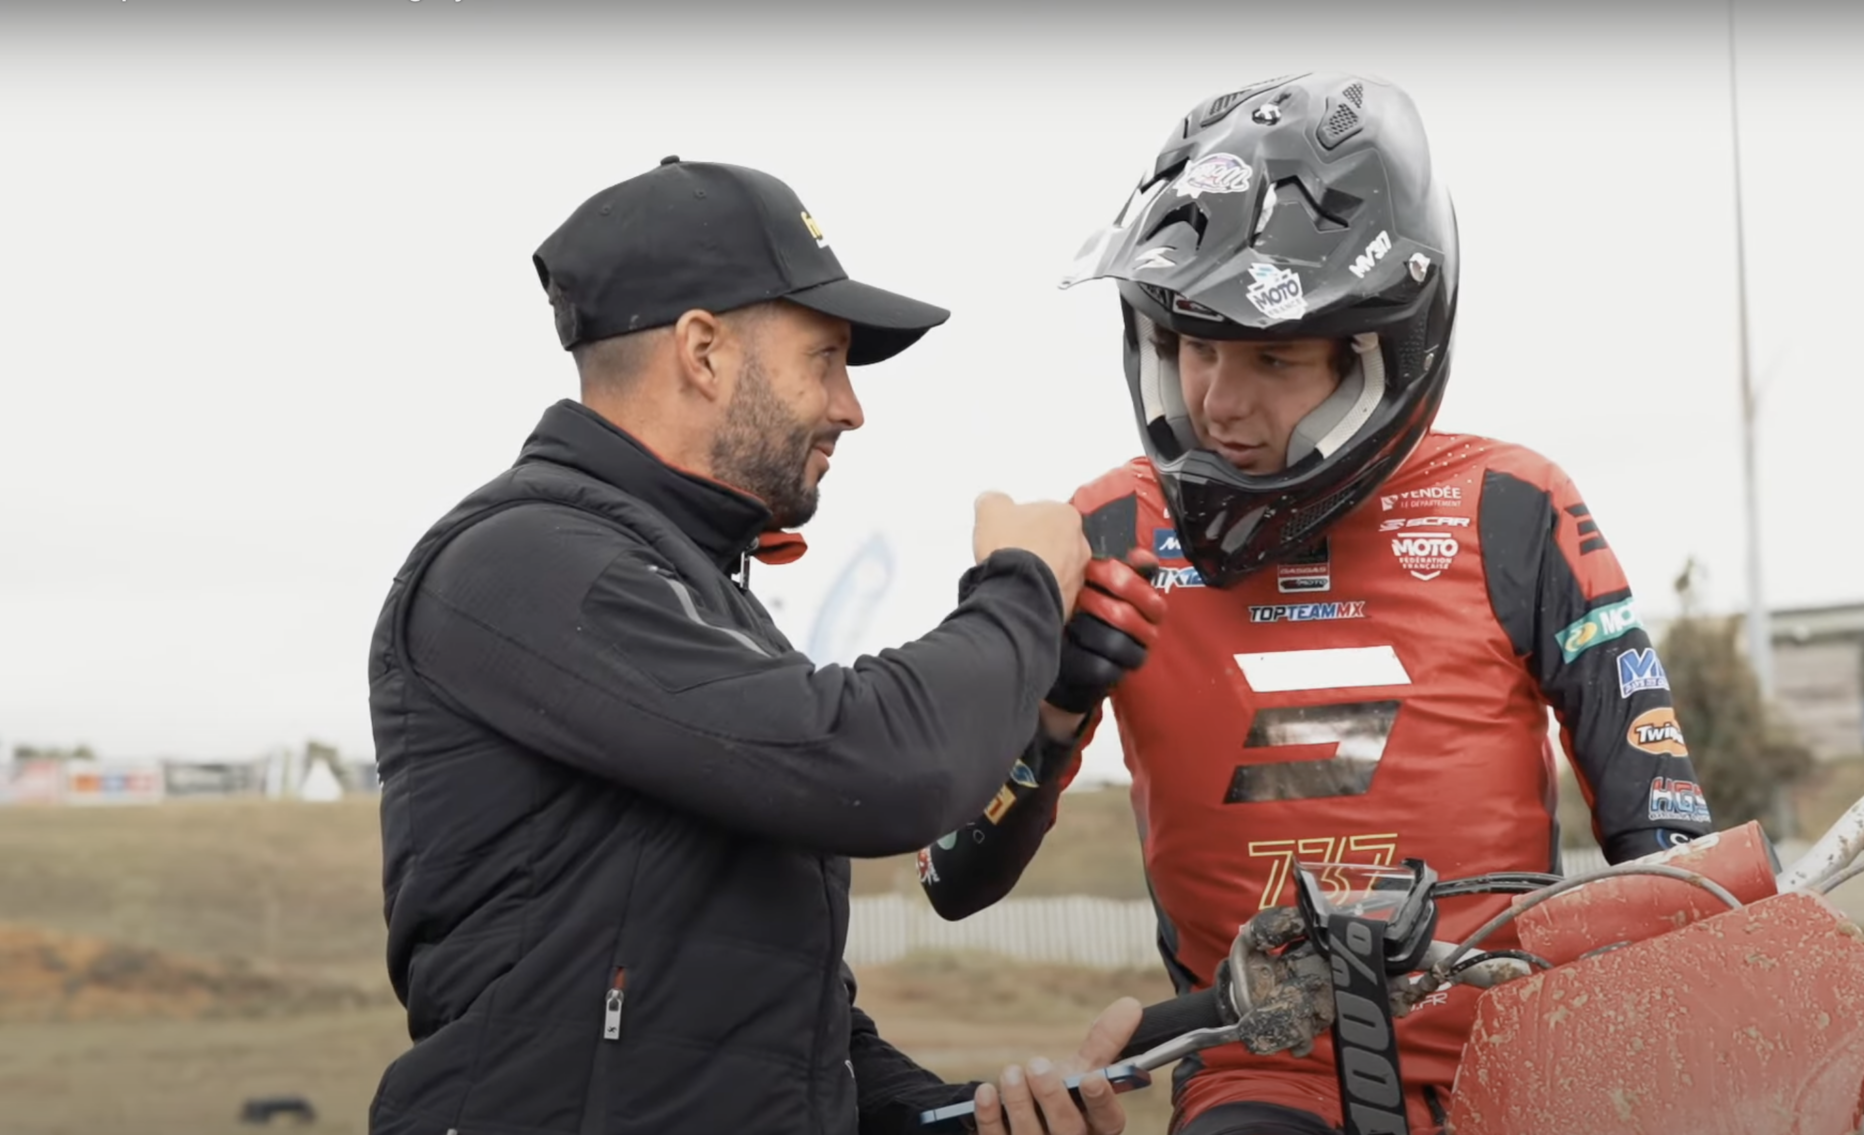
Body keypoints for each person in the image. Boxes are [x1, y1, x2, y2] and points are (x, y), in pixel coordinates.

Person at [913, 73, 1720, 1134]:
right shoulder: (1107, 526)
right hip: (1262, 1072)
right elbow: (951, 878)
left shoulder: (1512, 507)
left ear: (1377, 355)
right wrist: (1051, 710)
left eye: (1272, 357)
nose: (1215, 401)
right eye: (1192, 346)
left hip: (1524, 1073)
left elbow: (1670, 857)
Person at [366, 156, 1140, 1135]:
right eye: (825, 357)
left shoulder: (692, 599)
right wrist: (1022, 584)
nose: (851, 405)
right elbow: (880, 764)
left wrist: (964, 1120)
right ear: (702, 350)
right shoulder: (527, 563)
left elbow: (761, 1020)